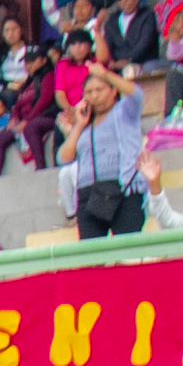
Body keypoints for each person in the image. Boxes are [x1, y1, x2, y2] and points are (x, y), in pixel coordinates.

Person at [58, 63, 146, 238]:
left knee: (128, 251)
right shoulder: (85, 123)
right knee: (91, 255)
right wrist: (78, 126)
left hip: (123, 189)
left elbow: (137, 95)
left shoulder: (124, 111)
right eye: (89, 92)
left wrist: (106, 74)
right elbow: (64, 158)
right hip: (89, 193)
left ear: (113, 91)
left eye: (99, 89)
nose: (94, 96)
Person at [0, 46, 59, 176]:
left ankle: (41, 168)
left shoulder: (49, 76)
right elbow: (17, 104)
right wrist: (14, 118)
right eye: (26, 62)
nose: (28, 65)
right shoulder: (29, 81)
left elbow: (44, 102)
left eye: (32, 61)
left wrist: (26, 121)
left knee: (31, 128)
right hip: (24, 120)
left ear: (44, 60)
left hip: (45, 117)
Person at [99, 0, 159, 72]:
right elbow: (108, 45)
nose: (124, 2)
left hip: (143, 61)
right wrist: (114, 62)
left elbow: (144, 43)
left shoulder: (147, 15)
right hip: (118, 64)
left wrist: (129, 60)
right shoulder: (112, 20)